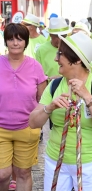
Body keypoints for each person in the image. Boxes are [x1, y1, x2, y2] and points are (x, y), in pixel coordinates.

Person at [29, 32, 92, 191]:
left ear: (77, 60)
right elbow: (33, 122)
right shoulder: (54, 86)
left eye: (60, 54)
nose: (55, 58)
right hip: (56, 160)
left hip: (89, 164)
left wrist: (87, 96)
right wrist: (50, 107)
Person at [0, 23, 47, 191]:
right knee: (2, 174)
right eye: (11, 39)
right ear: (5, 41)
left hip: (27, 128)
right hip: (1, 128)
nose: (15, 43)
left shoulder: (35, 66)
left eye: (19, 39)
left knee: (23, 172)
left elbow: (42, 98)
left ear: (26, 42)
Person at [36, 17, 72, 81]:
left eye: (63, 36)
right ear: (50, 35)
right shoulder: (41, 50)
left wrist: (60, 78)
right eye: (56, 36)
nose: (60, 39)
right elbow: (37, 75)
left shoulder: (73, 48)